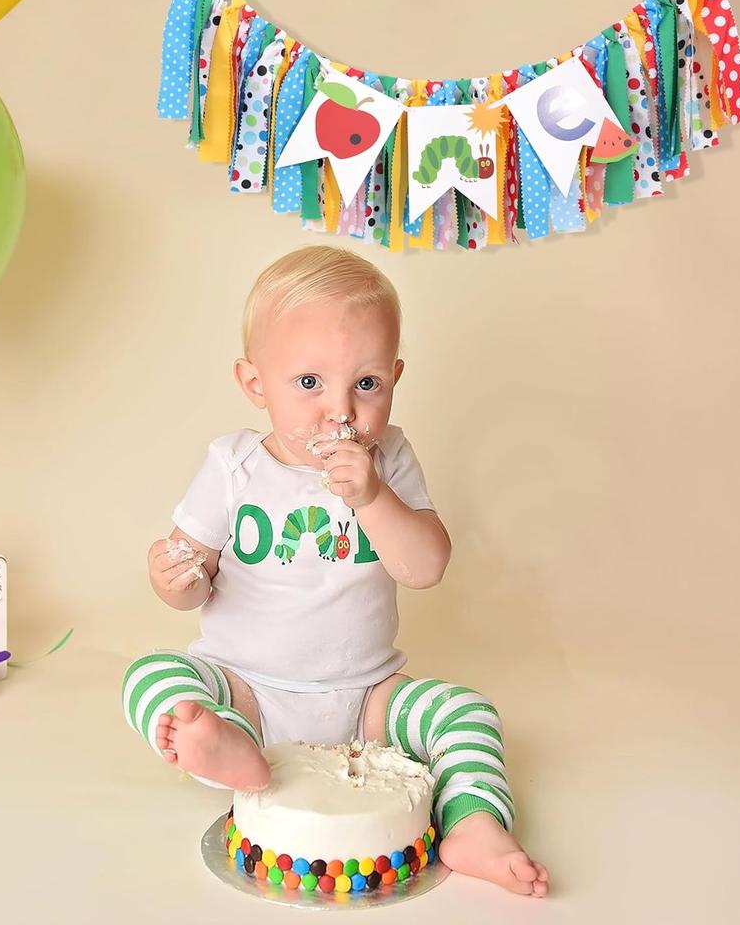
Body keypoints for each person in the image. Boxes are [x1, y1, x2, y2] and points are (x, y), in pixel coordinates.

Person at [122, 244, 549, 897]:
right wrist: (173, 579)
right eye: (309, 384)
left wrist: (374, 497)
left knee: (467, 711)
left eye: (367, 384)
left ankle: (474, 822)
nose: (341, 412)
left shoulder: (390, 457)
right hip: (249, 689)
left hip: (364, 702)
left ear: (395, 378)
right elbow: (192, 578)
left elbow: (426, 566)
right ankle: (231, 748)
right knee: (152, 677)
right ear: (254, 383)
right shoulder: (235, 468)